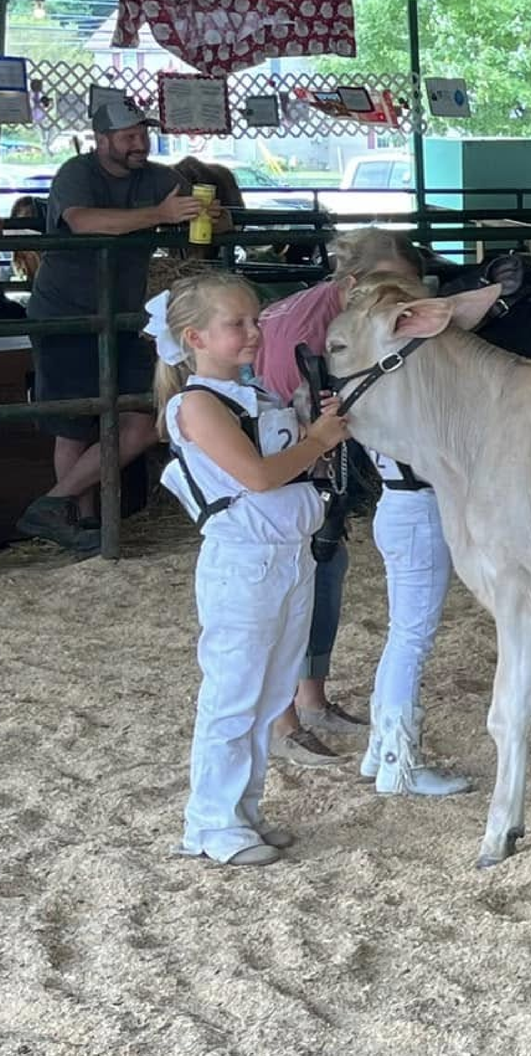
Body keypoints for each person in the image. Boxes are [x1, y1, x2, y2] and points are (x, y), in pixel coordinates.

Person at [148, 270, 349, 865]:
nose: (253, 332)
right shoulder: (196, 405)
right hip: (244, 561)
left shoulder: (255, 395)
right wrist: (317, 438)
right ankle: (209, 823)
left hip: (290, 554)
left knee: (269, 692)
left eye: (255, 320)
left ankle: (243, 811)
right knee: (234, 692)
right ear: (195, 338)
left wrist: (313, 428)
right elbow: (258, 477)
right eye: (235, 324)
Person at [253, 227, 427, 769]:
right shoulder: (309, 328)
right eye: (391, 285)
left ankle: (312, 699)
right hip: (286, 465)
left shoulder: (331, 311)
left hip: (314, 462)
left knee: (325, 569)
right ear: (354, 283)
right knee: (294, 580)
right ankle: (283, 720)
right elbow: (285, 410)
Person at [18, 99, 226, 553]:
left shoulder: (158, 177)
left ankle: (53, 505)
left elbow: (206, 212)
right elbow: (83, 221)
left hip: (124, 314)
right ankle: (86, 526)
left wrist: (212, 216)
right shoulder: (77, 173)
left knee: (145, 417)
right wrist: (160, 216)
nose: (140, 144)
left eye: (143, 135)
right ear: (103, 140)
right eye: (129, 137)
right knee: (75, 421)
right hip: (64, 313)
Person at [348, 271, 473, 799]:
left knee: (403, 635)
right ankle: (399, 763)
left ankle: (380, 751)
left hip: (398, 508)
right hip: (420, 509)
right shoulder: (405, 386)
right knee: (411, 639)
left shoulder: (369, 377)